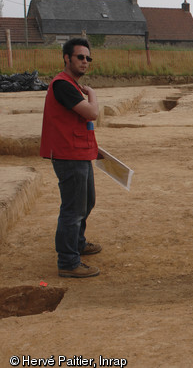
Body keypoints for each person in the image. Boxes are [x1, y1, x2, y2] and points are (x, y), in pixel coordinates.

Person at [40, 38, 102, 278]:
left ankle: (77, 244)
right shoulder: (63, 85)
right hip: (69, 156)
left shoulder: (72, 86)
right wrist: (93, 95)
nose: (85, 61)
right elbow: (92, 113)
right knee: (73, 210)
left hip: (78, 153)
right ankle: (68, 262)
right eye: (80, 57)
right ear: (67, 58)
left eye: (88, 58)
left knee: (86, 203)